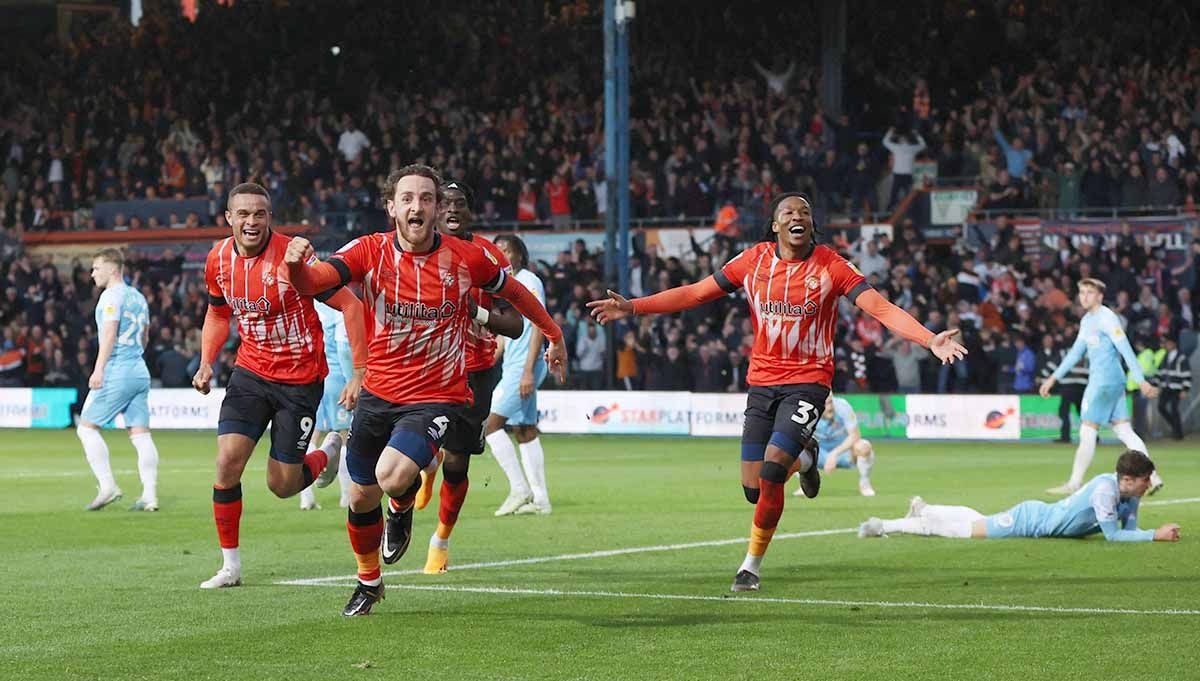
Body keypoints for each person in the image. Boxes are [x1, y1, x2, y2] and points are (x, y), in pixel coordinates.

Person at [588, 193, 966, 593]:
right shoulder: (752, 261)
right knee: (754, 489)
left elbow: (880, 308)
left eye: (805, 211)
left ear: (811, 224)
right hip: (762, 383)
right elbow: (697, 293)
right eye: (788, 212)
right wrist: (634, 308)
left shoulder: (832, 267)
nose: (797, 216)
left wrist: (929, 339)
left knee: (771, 471)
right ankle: (806, 458)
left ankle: (751, 566)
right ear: (775, 225)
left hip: (809, 381)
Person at [283, 164, 566, 616]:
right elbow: (315, 283)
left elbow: (514, 295)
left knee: (393, 476)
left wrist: (554, 334)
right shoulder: (368, 251)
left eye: (427, 199)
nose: (418, 206)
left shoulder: (467, 257)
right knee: (359, 497)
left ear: (436, 209)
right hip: (379, 391)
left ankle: (403, 501)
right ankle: (369, 581)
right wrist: (297, 266)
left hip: (438, 394)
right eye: (408, 198)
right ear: (391, 206)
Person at [193, 182, 367, 589]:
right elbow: (218, 314)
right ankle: (230, 566)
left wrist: (360, 372)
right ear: (229, 218)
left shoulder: (294, 258)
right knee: (226, 463)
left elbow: (351, 305)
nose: (251, 221)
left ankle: (327, 454)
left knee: (282, 485)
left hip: (299, 380)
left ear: (269, 218)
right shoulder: (218, 259)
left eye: (260, 214)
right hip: (250, 372)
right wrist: (206, 362)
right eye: (244, 214)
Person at [405, 179, 523, 575]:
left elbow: (514, 323)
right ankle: (423, 469)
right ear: (434, 209)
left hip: (474, 371)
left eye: (460, 203)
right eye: (445, 203)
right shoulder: (414, 248)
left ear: (471, 212)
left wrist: (477, 313)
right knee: (403, 449)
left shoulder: (488, 255)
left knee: (458, 462)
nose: (452, 210)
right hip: (425, 365)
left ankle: (440, 539)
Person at [858, 451, 1180, 543]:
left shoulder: (1128, 493)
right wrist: (1155, 536)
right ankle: (885, 524)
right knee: (967, 531)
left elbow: (1130, 527)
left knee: (976, 521)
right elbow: (1113, 536)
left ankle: (925, 508)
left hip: (1040, 516)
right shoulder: (1105, 490)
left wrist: (1146, 533)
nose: (1149, 483)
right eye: (1145, 479)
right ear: (1127, 479)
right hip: (1032, 522)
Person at [1039, 278, 1162, 496]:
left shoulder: (1106, 318)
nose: (1084, 296)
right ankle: (1152, 476)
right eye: (1082, 292)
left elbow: (1125, 349)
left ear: (1100, 296)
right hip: (1114, 382)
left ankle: (1074, 483)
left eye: (1089, 292)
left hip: (1102, 382)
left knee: (1087, 431)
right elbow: (1075, 353)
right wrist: (1053, 378)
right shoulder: (1087, 320)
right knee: (1124, 431)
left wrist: (1141, 380)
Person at [76, 248, 161, 512]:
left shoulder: (111, 297)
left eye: (96, 268)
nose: (92, 274)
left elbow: (110, 333)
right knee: (140, 433)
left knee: (86, 428)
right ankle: (150, 496)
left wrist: (99, 369)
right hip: (139, 369)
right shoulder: (138, 297)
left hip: (117, 369)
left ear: (112, 269)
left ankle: (107, 486)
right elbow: (145, 336)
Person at [485, 234, 555, 517]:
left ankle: (519, 489)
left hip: (524, 367)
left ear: (519, 255)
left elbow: (539, 323)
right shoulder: (507, 287)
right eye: (497, 250)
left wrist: (527, 371)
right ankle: (541, 499)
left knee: (489, 425)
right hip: (515, 364)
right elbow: (507, 335)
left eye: (507, 250)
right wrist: (489, 358)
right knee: (525, 431)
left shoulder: (529, 280)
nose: (502, 254)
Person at [297, 300, 356, 510]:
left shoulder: (308, 304)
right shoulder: (338, 305)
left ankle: (306, 496)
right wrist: (353, 379)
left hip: (311, 376)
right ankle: (347, 495)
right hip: (335, 377)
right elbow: (344, 348)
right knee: (344, 435)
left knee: (311, 434)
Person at [794, 394, 877, 498]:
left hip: (843, 452)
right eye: (826, 404)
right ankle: (804, 484)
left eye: (831, 402)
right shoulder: (807, 410)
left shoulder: (842, 406)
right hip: (819, 454)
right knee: (792, 448)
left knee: (864, 446)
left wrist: (834, 454)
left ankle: (865, 484)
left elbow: (855, 435)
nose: (830, 407)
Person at [1154, 336, 1191, 441]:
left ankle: (1178, 434)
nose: (1167, 345)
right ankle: (1175, 427)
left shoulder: (1181, 357)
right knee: (1161, 407)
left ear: (1175, 344)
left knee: (1174, 409)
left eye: (1169, 343)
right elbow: (1160, 372)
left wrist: (1185, 389)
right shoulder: (1165, 356)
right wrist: (1156, 385)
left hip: (1176, 388)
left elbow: (1187, 374)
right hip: (1166, 387)